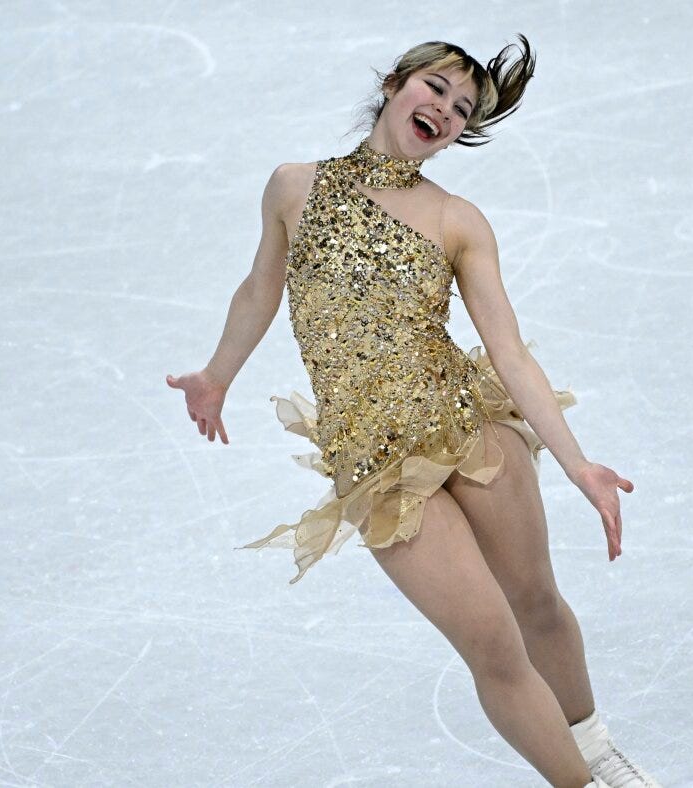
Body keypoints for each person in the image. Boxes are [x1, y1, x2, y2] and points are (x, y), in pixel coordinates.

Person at [165, 36, 661, 788]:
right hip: (376, 461)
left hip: (465, 426)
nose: (445, 110)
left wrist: (579, 463)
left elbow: (510, 354)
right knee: (492, 643)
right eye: (435, 87)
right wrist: (215, 375)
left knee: (534, 601)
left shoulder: (458, 220)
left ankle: (595, 749)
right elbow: (261, 287)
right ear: (395, 84)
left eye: (462, 109)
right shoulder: (293, 188)